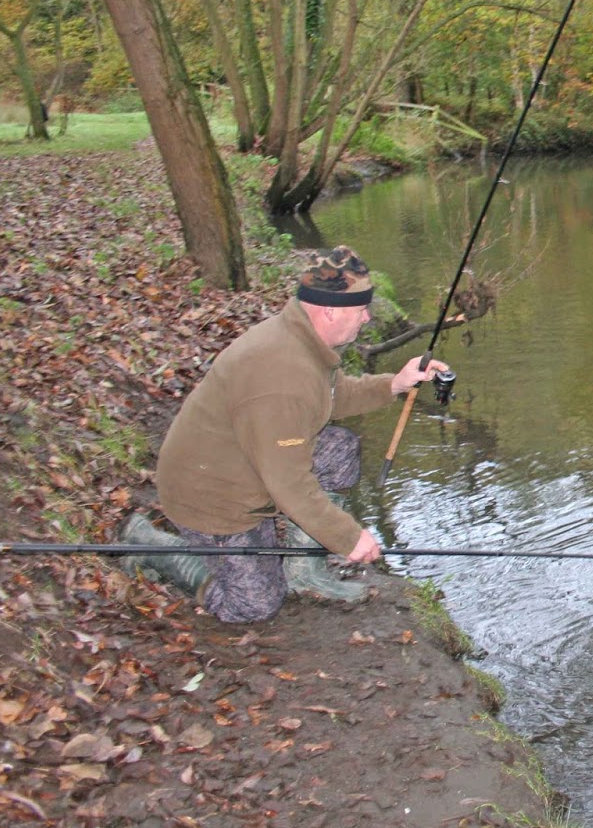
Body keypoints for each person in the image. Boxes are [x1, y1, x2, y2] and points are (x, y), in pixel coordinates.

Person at [123, 245, 448, 623]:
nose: (367, 318)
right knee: (254, 605)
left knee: (339, 450)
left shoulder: (302, 341)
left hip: (244, 464)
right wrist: (348, 537)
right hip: (213, 499)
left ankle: (303, 574)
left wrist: (395, 383)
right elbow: (289, 484)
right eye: (361, 309)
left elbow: (332, 396)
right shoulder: (283, 375)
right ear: (330, 311)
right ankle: (149, 543)